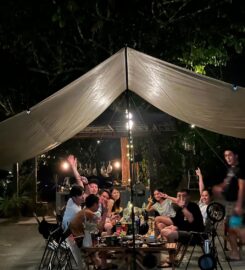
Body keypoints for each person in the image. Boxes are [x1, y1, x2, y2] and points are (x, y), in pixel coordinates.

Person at [212, 149, 245, 261]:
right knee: (230, 230)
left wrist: (239, 205)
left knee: (235, 228)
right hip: (230, 204)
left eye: (230, 155)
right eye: (225, 156)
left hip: (236, 203)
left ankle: (235, 252)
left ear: (236, 155)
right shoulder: (231, 169)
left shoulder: (240, 169)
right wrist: (219, 187)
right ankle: (234, 254)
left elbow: (242, 188)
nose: (228, 158)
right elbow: (226, 183)